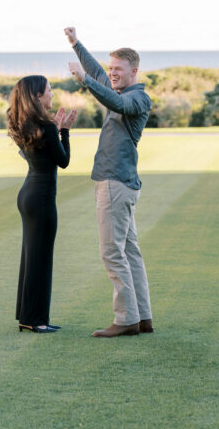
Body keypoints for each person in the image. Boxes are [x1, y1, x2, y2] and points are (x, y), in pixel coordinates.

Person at [65, 27, 154, 337]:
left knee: (111, 252)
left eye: (119, 69)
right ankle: (142, 318)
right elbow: (99, 73)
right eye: (112, 68)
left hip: (116, 183)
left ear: (134, 71)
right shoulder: (118, 90)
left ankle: (126, 319)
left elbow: (116, 104)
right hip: (118, 182)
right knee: (129, 252)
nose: (113, 74)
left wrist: (84, 81)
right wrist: (77, 44)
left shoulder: (137, 98)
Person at [6, 75, 77, 333]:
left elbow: (34, 154)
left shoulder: (24, 123)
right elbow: (63, 160)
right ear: (37, 96)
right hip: (42, 197)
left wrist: (56, 131)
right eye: (49, 90)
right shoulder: (44, 126)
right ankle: (36, 320)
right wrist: (65, 130)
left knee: (31, 257)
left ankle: (29, 317)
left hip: (28, 195)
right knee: (40, 259)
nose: (52, 94)